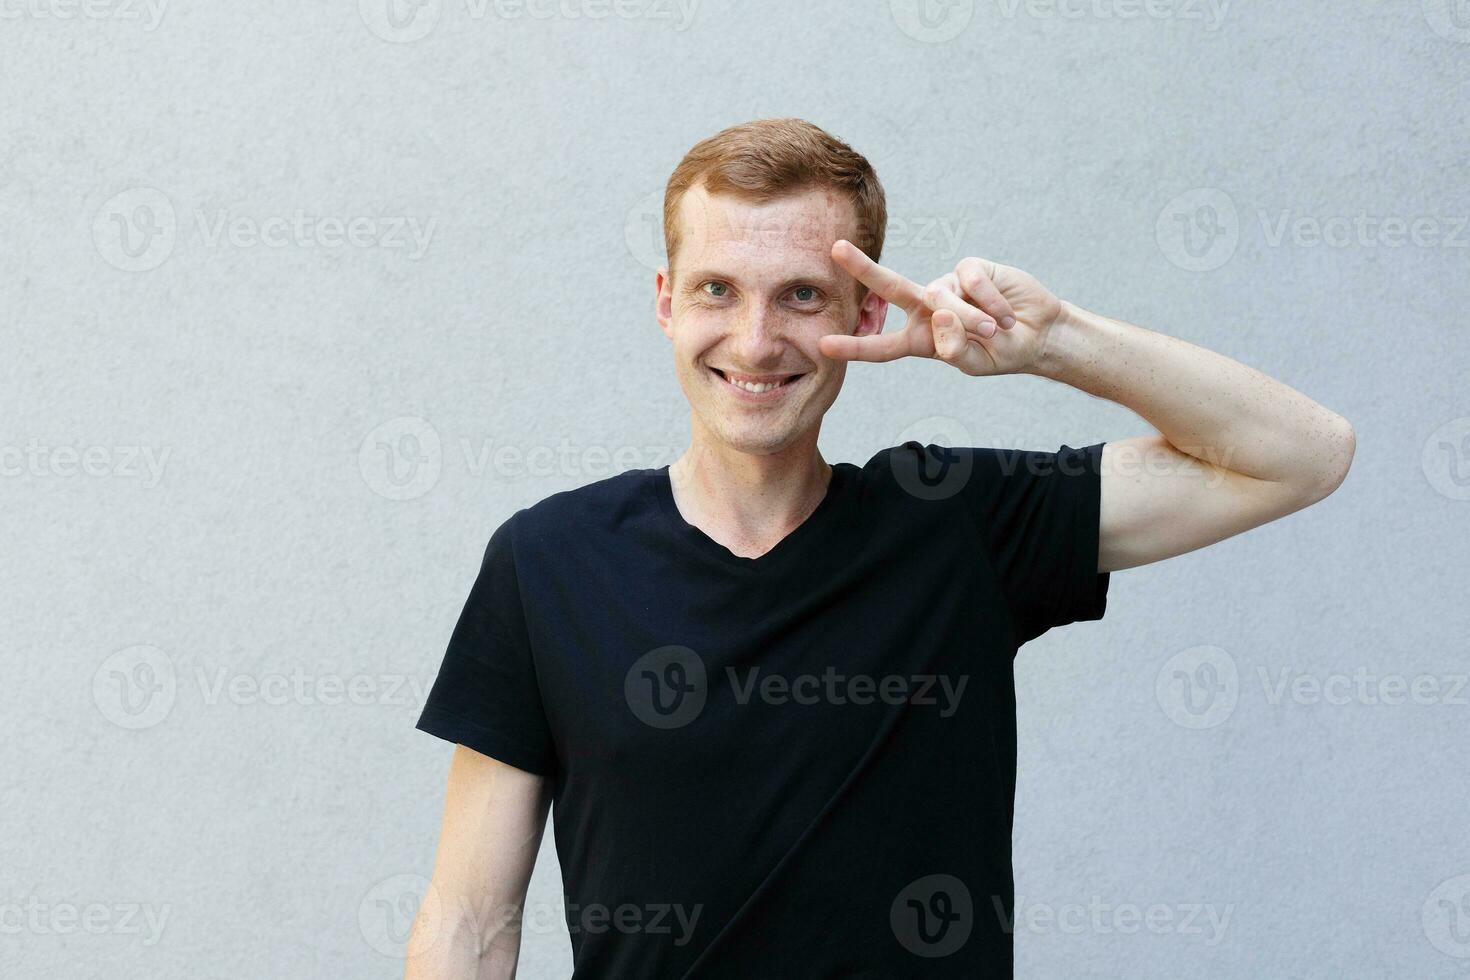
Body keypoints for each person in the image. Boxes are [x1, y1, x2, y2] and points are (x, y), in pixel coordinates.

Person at [404, 118, 1354, 978]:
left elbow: (1301, 456)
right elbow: (471, 925)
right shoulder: (548, 563)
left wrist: (1055, 341)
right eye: (716, 291)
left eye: (802, 296)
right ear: (665, 302)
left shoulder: (961, 525)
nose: (756, 338)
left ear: (864, 318)